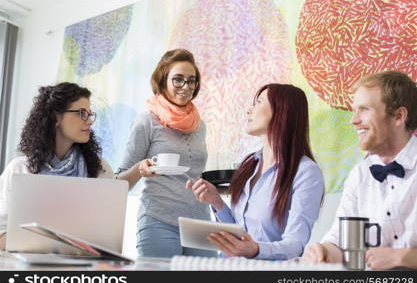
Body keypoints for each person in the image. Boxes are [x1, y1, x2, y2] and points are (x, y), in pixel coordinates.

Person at [186, 83, 324, 260]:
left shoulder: (306, 173)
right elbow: (239, 237)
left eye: (259, 102)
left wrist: (255, 249)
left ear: (282, 110)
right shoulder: (250, 163)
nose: (249, 111)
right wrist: (217, 201)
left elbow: (295, 245)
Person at [302, 71, 417, 270]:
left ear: (399, 116)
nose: (353, 120)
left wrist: (405, 258)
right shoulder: (359, 174)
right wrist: (325, 251)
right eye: (354, 110)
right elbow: (340, 242)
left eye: (364, 110)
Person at [116, 49, 214, 258]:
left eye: (191, 80)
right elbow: (119, 182)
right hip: (159, 220)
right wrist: (140, 168)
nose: (186, 87)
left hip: (200, 221)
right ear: (162, 81)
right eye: (178, 80)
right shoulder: (147, 121)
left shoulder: (200, 125)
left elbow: (193, 174)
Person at [0, 82, 113, 237]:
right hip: (28, 258)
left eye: (89, 114)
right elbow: (2, 230)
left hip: (82, 259)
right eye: (81, 113)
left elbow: (106, 233)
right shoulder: (19, 169)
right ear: (55, 118)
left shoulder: (100, 169)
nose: (89, 120)